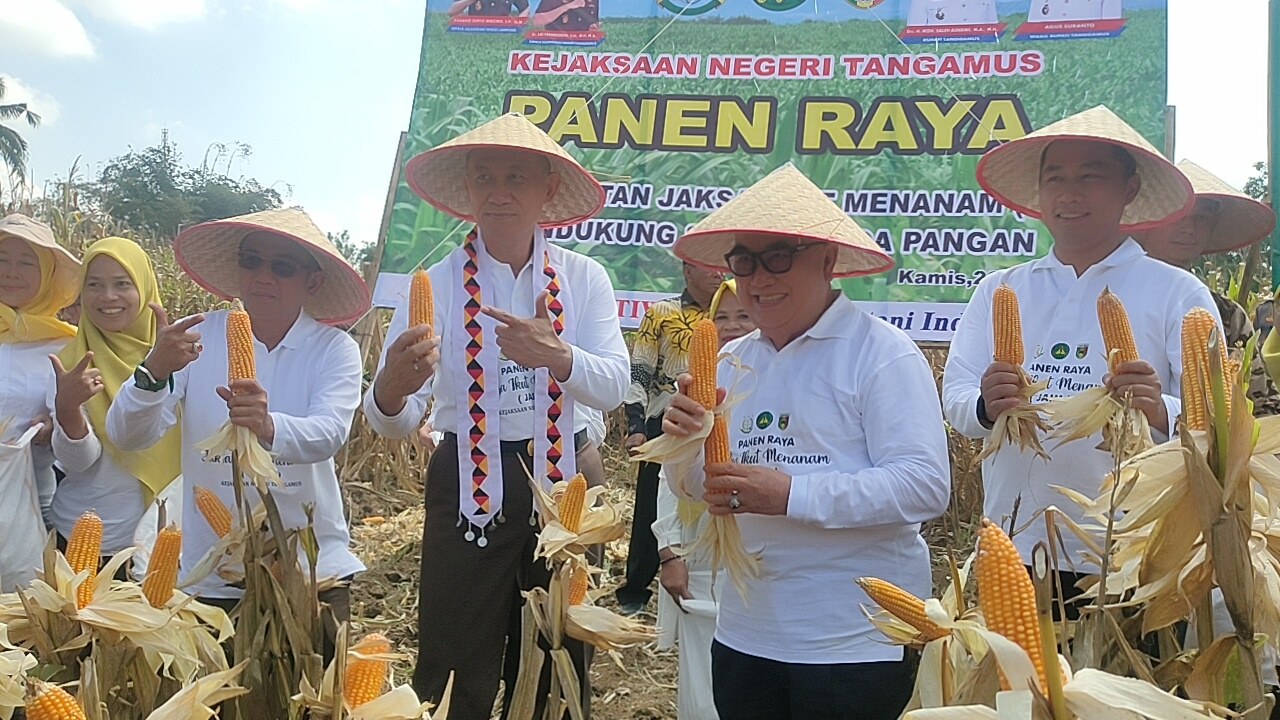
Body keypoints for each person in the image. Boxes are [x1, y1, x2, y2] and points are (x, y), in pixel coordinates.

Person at [661, 163, 951, 720]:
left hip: (856, 641)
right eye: (744, 261)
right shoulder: (729, 361)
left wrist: (792, 494)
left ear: (826, 260)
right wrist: (686, 446)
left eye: (779, 257)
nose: (759, 279)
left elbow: (924, 486)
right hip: (747, 633)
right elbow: (702, 489)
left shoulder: (881, 354)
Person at [363, 113, 628, 720]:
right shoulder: (434, 284)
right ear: (468, 189)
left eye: (516, 176)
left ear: (548, 190)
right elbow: (391, 421)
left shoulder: (584, 279)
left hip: (564, 479)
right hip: (465, 473)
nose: (500, 191)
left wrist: (557, 354)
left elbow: (613, 387)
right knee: (453, 659)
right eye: (485, 177)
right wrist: (392, 390)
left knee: (557, 653)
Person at [942, 106, 1221, 582]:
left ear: (1128, 190)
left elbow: (1218, 424)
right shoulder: (999, 289)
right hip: (1016, 545)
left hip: (1132, 551)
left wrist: (1158, 409)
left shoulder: (1178, 293)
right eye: (1056, 179)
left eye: (1090, 177)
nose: (1069, 194)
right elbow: (957, 402)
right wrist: (988, 406)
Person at [105, 207, 371, 655]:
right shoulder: (197, 337)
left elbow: (329, 433)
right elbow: (128, 436)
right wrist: (153, 372)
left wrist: (268, 425)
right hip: (211, 573)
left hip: (309, 567)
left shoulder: (334, 350)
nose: (263, 276)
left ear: (312, 281)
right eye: (252, 261)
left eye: (282, 266)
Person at [653, 278, 753, 720]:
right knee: (701, 676)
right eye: (722, 317)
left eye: (743, 316)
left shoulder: (772, 383)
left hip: (756, 553)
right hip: (698, 546)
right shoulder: (693, 391)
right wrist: (668, 550)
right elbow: (668, 478)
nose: (731, 327)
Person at [47, 237, 182, 563]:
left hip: (166, 540)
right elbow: (78, 463)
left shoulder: (178, 356)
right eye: (94, 285)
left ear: (145, 288)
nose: (108, 297)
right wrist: (67, 410)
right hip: (85, 541)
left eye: (122, 284)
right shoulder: (67, 362)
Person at [1135, 160, 1280, 416]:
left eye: (1200, 219)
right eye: (1178, 216)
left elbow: (1263, 405)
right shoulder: (1113, 297)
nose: (1189, 228)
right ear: (1148, 222)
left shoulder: (1227, 315)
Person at [618, 260, 722, 616]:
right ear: (687, 271)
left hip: (720, 419)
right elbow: (641, 370)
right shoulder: (662, 313)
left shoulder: (731, 313)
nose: (718, 273)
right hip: (665, 421)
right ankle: (635, 587)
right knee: (654, 502)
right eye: (709, 267)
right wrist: (636, 426)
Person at [0, 214, 80, 528]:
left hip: (33, 501)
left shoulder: (66, 345)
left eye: (26, 263)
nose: (10, 273)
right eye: (2, 259)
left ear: (48, 274)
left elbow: (84, 424)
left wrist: (53, 426)